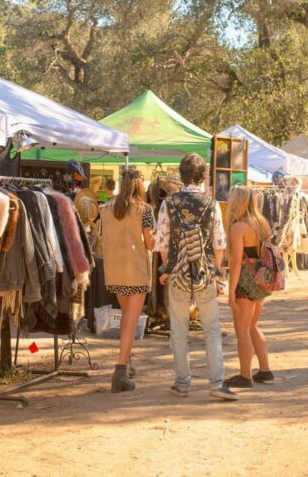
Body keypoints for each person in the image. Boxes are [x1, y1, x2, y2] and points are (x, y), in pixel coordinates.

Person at [154, 153, 238, 401]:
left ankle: (182, 383)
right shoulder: (212, 204)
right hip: (204, 274)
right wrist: (215, 272)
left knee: (179, 330)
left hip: (178, 274)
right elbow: (219, 243)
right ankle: (216, 383)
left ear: (181, 175)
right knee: (211, 329)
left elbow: (162, 243)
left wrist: (169, 269)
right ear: (203, 176)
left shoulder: (168, 203)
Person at [98, 168, 155, 392]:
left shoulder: (106, 207)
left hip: (114, 270)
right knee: (131, 319)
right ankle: (120, 369)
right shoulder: (144, 210)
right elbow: (150, 243)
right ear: (140, 186)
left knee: (126, 319)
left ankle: (126, 361)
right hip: (136, 269)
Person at [224, 186, 275, 389]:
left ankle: (245, 375)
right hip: (262, 278)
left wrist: (230, 291)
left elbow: (236, 261)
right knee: (252, 326)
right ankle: (265, 370)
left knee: (242, 330)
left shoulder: (238, 227)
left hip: (245, 279)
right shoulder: (262, 224)